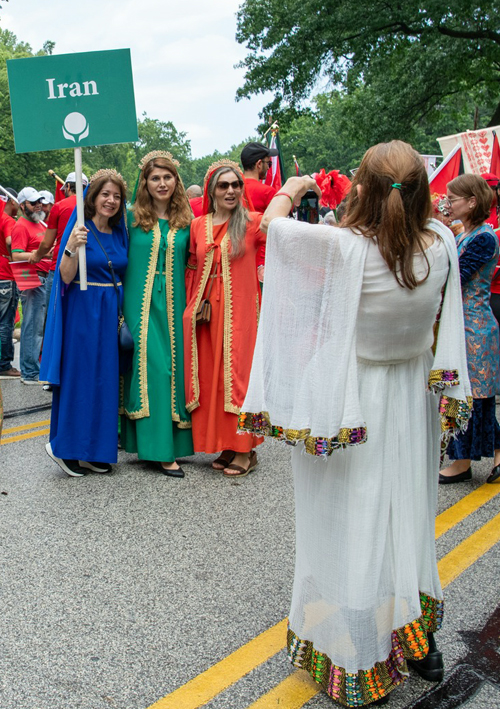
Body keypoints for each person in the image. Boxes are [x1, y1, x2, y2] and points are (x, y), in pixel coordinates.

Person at [239, 141, 471, 705]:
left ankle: (361, 659)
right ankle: (417, 640)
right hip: (410, 393)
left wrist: (293, 187)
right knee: (405, 514)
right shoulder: (442, 241)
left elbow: (268, 225)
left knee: (349, 518)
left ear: (363, 188)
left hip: (349, 401)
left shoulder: (343, 248)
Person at [40, 169, 129, 477]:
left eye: (117, 196)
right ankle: (65, 447)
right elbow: (65, 276)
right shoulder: (80, 227)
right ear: (93, 197)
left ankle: (94, 451)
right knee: (79, 378)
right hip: (83, 308)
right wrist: (71, 246)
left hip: (109, 312)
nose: (111, 201)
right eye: (105, 194)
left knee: (103, 381)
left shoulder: (120, 232)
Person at [183, 160, 265, 476]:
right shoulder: (197, 226)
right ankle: (229, 445)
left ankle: (246, 449)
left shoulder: (254, 223)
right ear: (212, 191)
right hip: (208, 316)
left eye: (235, 185)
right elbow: (192, 268)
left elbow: (283, 246)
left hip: (241, 315)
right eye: (223, 185)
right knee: (213, 380)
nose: (230, 190)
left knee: (239, 380)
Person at [120, 151, 193, 477]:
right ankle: (161, 452)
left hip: (176, 309)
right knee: (154, 372)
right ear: (145, 183)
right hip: (140, 308)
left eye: (167, 177)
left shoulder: (188, 221)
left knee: (173, 373)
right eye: (155, 178)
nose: (162, 183)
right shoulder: (130, 218)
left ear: (175, 180)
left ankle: (163, 446)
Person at [439, 174, 500, 485]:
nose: (448, 203)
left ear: (473, 201)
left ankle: (461, 461)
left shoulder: (483, 238)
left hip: (473, 327)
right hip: (461, 323)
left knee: (469, 395)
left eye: (454, 198)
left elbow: (454, 276)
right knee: (469, 395)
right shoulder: (465, 233)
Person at [32, 172, 89, 309]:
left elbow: (46, 243)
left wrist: (37, 255)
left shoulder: (59, 206)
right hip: (87, 265)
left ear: (68, 186)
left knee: (53, 312)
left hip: (60, 264)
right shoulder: (92, 206)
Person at [11, 187, 49, 384]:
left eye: (39, 201)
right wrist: (40, 254)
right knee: (32, 326)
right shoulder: (21, 226)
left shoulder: (39, 222)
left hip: (44, 277)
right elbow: (16, 255)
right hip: (32, 277)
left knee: (37, 326)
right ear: (22, 205)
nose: (38, 205)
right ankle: (29, 371)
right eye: (33, 202)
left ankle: (33, 368)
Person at [241, 141, 279, 280]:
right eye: (268, 164)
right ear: (258, 164)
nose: (269, 168)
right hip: (261, 261)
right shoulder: (267, 192)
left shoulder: (232, 190)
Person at [0, 188, 20, 379]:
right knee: (5, 322)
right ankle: (4, 364)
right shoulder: (7, 220)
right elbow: (9, 241)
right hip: (6, 274)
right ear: (12, 201)